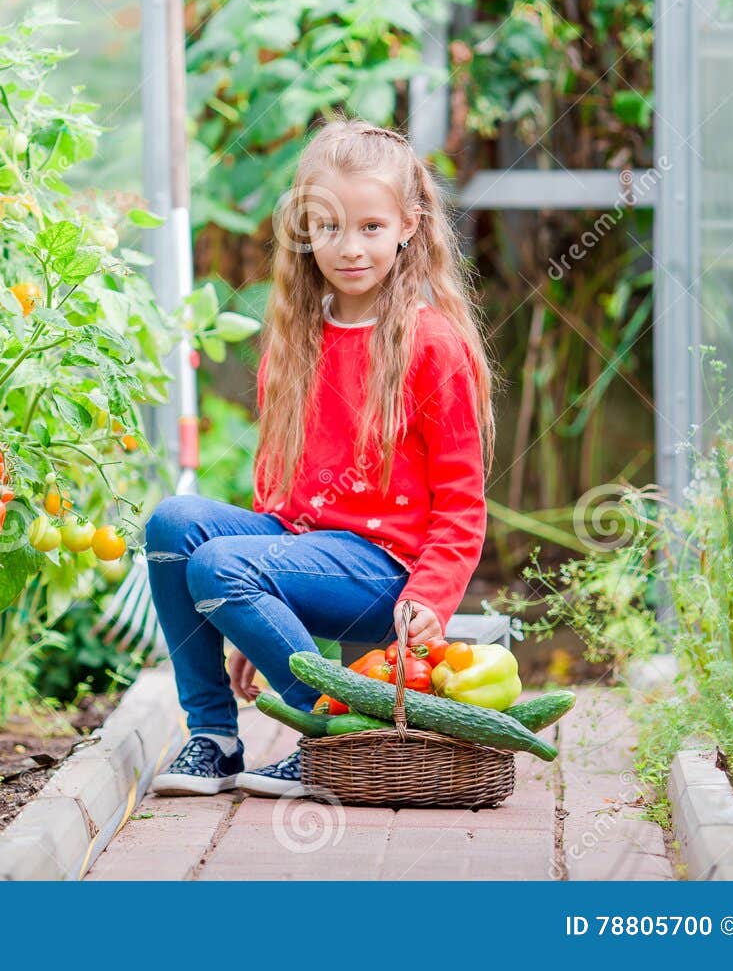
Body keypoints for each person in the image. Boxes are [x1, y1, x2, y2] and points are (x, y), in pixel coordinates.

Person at [145, 117, 494, 799]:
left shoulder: (431, 344)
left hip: (386, 576)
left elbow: (460, 505)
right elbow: (280, 496)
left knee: (220, 563)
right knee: (172, 525)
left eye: (370, 226)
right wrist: (246, 609)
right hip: (307, 554)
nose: (350, 246)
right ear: (305, 230)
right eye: (329, 226)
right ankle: (213, 739)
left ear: (408, 225)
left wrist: (431, 597)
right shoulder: (297, 339)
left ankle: (335, 736)